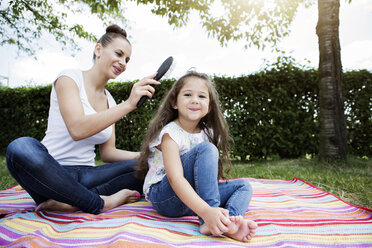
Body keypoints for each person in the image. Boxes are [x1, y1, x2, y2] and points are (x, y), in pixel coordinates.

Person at [5, 24, 161, 214]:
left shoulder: (110, 100)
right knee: (20, 147)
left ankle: (71, 202)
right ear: (98, 50)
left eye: (127, 59)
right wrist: (128, 104)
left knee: (148, 165)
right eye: (119, 54)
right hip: (52, 174)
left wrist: (149, 154)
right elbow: (77, 129)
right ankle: (100, 202)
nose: (123, 63)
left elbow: (108, 153)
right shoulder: (69, 78)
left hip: (88, 175)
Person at [136, 71, 257, 242]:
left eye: (201, 96)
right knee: (206, 149)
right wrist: (207, 211)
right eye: (187, 94)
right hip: (166, 198)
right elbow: (175, 179)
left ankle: (228, 223)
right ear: (174, 102)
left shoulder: (208, 134)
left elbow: (205, 179)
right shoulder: (170, 133)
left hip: (192, 199)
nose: (195, 100)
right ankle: (209, 220)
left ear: (210, 106)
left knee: (243, 186)